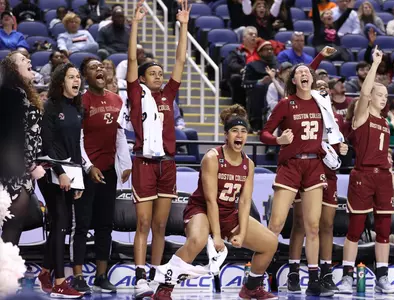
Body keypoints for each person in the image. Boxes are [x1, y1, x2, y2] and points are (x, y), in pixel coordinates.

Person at [149, 105, 278, 299]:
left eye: (243, 131)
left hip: (228, 212)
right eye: (235, 130)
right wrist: (217, 236)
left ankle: (251, 287)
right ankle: (164, 289)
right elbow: (210, 200)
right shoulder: (212, 157)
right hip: (200, 209)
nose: (240, 135)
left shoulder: (248, 164)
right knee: (197, 241)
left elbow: (244, 202)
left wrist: (241, 233)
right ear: (226, 135)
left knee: (270, 243)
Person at [260, 61, 344, 296]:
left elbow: (333, 131)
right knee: (276, 224)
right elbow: (264, 133)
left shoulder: (320, 103)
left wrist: (340, 144)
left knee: (313, 227)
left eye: (307, 71)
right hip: (290, 165)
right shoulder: (286, 104)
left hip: (314, 165)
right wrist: (278, 141)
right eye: (299, 73)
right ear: (294, 81)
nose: (304, 74)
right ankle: (257, 275)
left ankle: (314, 280)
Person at [125, 0, 188, 297]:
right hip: (144, 163)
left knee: (161, 225)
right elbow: (133, 61)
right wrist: (136, 23)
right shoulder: (137, 94)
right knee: (143, 222)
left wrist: (184, 26)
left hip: (167, 163)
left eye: (161, 74)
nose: (160, 76)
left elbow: (180, 62)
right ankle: (139, 276)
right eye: (154, 73)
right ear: (142, 79)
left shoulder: (168, 94)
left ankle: (155, 273)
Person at [338, 46, 394, 294]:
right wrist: (375, 64)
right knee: (355, 228)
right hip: (362, 175)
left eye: (386, 94)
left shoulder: (385, 122)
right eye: (380, 93)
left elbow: (385, 155)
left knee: (384, 230)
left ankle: (383, 276)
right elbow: (364, 94)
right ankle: (347, 276)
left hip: (384, 177)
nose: (384, 97)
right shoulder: (362, 116)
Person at [70, 57, 132, 293]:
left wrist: (125, 164)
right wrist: (89, 167)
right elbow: (78, 140)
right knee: (82, 225)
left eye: (101, 67)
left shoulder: (118, 99)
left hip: (108, 171)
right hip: (84, 172)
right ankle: (77, 276)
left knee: (105, 225)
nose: (100, 70)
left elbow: (120, 136)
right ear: (85, 76)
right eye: (93, 68)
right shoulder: (80, 102)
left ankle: (101, 275)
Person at [286, 79, 348, 294]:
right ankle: (294, 270)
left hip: (328, 173)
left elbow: (341, 143)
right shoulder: (302, 109)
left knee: (327, 225)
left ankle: (326, 273)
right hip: (307, 169)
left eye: (324, 86)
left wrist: (343, 147)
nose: (321, 89)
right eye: (317, 85)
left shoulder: (335, 116)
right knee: (301, 223)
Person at [36, 63, 84, 298]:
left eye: (78, 77)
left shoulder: (76, 108)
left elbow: (75, 147)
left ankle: (45, 272)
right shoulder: (50, 107)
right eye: (71, 77)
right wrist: (60, 171)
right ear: (60, 81)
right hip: (50, 173)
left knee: (59, 225)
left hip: (69, 174)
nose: (77, 80)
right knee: (61, 223)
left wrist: (78, 181)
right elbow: (46, 146)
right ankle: (59, 281)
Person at [0, 51, 44, 246]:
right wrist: (31, 165)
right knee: (11, 232)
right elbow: (12, 137)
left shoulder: (23, 93)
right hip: (12, 174)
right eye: (22, 59)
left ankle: (6, 275)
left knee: (12, 231)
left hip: (21, 171)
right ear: (12, 69)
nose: (28, 60)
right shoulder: (12, 95)